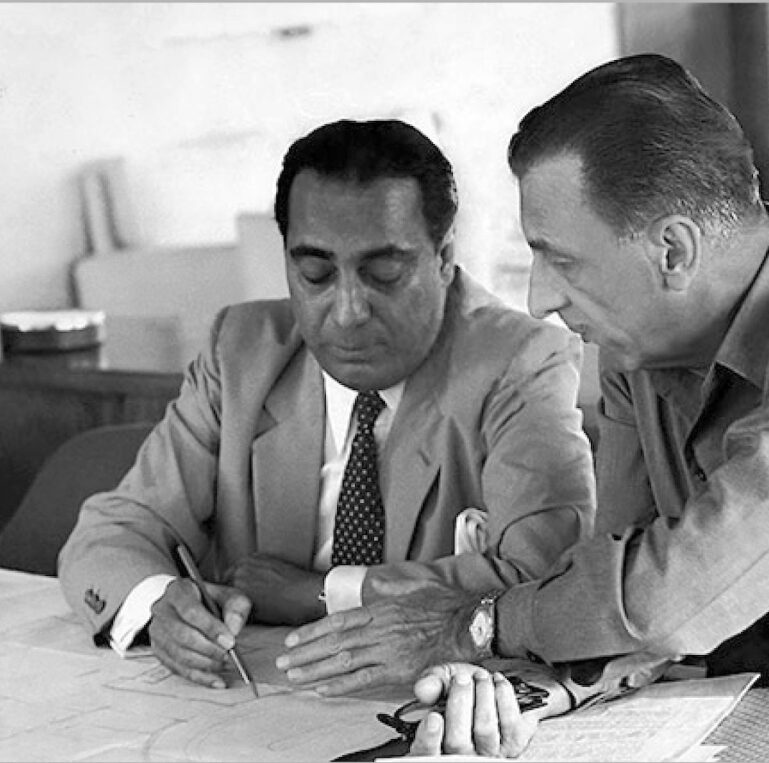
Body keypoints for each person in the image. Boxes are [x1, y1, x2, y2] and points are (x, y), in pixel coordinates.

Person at [286, 54, 769, 754]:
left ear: (673, 250)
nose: (540, 299)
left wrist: (474, 626)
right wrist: (527, 689)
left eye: (561, 259)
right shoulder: (640, 343)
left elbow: (678, 591)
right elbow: (618, 580)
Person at [57, 118, 596, 694]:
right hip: (252, 698)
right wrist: (160, 603)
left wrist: (323, 592)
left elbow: (545, 576)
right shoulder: (240, 352)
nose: (348, 311)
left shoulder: (520, 361)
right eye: (315, 274)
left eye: (384, 273)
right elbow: (116, 529)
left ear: (444, 258)